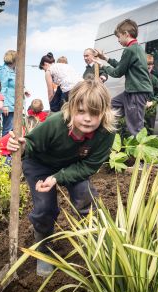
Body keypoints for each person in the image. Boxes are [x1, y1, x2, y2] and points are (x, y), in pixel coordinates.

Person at [7, 79, 116, 277]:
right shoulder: (55, 122)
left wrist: (58, 177)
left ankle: (97, 245)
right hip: (39, 164)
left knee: (86, 198)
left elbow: (89, 166)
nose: (87, 119)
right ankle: (43, 247)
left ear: (104, 112)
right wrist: (21, 146)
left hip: (73, 166)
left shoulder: (106, 133)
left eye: (94, 113)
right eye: (81, 111)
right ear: (71, 107)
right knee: (44, 208)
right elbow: (31, 145)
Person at [93, 19, 152, 136]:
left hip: (136, 92)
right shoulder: (137, 48)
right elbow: (122, 65)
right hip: (131, 92)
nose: (118, 40)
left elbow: (117, 72)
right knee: (110, 106)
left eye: (119, 37)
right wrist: (106, 58)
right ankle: (106, 131)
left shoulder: (129, 50)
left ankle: (141, 152)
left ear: (126, 34)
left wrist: (102, 65)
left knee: (135, 127)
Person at [0, 50, 31, 136]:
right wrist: (4, 105)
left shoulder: (14, 70)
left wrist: (24, 90)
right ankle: (3, 148)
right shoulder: (4, 70)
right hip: (9, 105)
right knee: (8, 129)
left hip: (17, 105)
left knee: (16, 129)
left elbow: (16, 85)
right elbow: (2, 88)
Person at [145, 54, 158, 134]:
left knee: (149, 131)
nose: (149, 66)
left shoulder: (154, 79)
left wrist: (152, 102)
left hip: (150, 111)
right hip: (138, 110)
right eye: (147, 64)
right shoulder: (136, 78)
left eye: (150, 64)